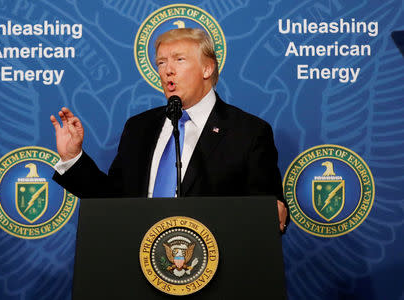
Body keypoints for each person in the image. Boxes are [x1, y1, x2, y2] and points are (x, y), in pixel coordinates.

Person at [50, 28, 288, 232]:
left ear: (207, 68)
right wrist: (72, 158)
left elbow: (267, 212)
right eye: (161, 62)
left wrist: (270, 211)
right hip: (141, 266)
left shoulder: (248, 132)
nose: (167, 70)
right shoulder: (139, 127)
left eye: (179, 60)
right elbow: (114, 202)